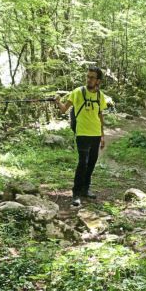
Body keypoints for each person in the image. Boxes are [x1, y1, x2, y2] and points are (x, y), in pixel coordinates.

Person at [56, 66, 108, 207]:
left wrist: (102, 135)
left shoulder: (100, 96)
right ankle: (76, 193)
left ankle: (86, 189)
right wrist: (57, 101)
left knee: (91, 164)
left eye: (92, 77)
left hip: (96, 134)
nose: (89, 79)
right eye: (88, 76)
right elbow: (64, 109)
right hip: (82, 134)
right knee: (82, 163)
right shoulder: (78, 92)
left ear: (98, 81)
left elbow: (100, 115)